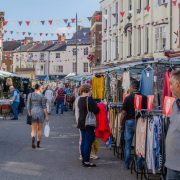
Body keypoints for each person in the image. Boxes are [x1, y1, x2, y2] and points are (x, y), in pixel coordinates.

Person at [120, 81, 146, 169]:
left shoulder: (128, 98)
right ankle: (139, 164)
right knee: (140, 144)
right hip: (141, 122)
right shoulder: (144, 97)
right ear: (138, 87)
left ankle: (127, 164)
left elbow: (123, 112)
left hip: (129, 121)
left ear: (131, 87)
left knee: (128, 143)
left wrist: (121, 123)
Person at [77, 84, 99, 167]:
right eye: (90, 89)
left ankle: (84, 159)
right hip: (88, 123)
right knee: (88, 142)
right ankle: (86, 161)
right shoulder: (89, 99)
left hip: (81, 122)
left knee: (83, 141)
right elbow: (96, 110)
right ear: (88, 90)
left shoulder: (79, 99)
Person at [165, 70, 180, 180]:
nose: (169, 87)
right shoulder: (175, 103)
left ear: (178, 86)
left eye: (171, 84)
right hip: (172, 164)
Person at [27, 84, 48, 149]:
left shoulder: (30, 95)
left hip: (33, 112)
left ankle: (33, 138)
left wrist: (29, 113)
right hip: (40, 112)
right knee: (39, 129)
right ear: (39, 88)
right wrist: (47, 116)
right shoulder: (42, 95)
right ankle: (38, 143)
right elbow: (44, 107)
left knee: (33, 129)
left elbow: (28, 106)